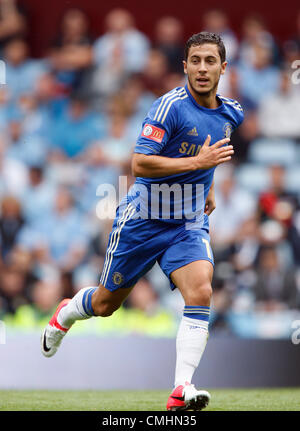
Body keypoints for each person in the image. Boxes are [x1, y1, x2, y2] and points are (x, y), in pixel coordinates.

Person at [41, 32, 244, 411]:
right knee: (104, 304)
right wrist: (196, 165)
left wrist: (208, 183)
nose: (202, 68)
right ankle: (66, 311)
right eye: (195, 60)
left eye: (210, 61)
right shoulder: (168, 107)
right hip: (145, 217)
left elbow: (211, 152)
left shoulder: (232, 112)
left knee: (200, 291)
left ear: (223, 67)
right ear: (184, 66)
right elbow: (140, 163)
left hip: (187, 221)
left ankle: (181, 389)